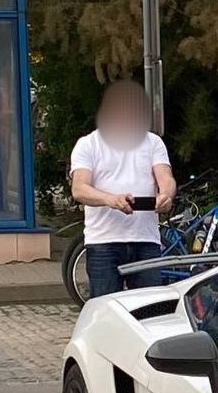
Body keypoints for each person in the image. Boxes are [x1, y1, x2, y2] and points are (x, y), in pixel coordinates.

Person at [69, 80, 177, 298]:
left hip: (145, 240)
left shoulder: (153, 142)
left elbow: (165, 176)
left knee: (150, 309)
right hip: (103, 242)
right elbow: (79, 188)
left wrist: (166, 194)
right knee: (106, 309)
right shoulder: (88, 144)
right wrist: (110, 200)